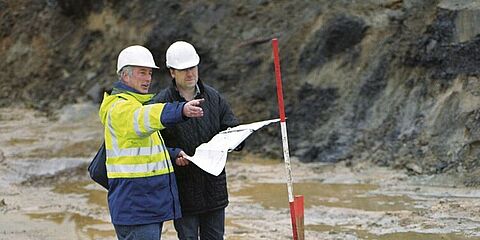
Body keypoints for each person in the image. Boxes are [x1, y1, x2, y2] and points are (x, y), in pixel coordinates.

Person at [98, 45, 204, 240]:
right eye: (142, 73)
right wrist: (180, 110)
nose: (148, 78)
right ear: (125, 76)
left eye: (149, 73)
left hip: (144, 207)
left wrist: (172, 154)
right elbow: (145, 117)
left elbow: (143, 150)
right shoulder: (120, 108)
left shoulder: (134, 104)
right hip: (136, 209)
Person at [152, 41, 240, 239]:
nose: (190, 73)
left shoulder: (213, 97)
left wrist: (236, 140)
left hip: (214, 189)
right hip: (184, 191)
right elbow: (152, 145)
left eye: (192, 68)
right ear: (172, 72)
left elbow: (231, 126)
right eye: (184, 70)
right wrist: (174, 154)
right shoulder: (161, 103)